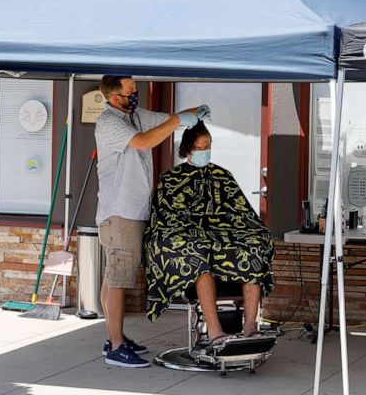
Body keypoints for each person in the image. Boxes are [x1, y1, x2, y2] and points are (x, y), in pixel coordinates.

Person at [94, 75, 208, 368]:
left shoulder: (135, 116)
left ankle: (114, 337)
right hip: (120, 213)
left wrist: (192, 114)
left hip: (131, 211)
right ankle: (117, 347)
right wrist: (176, 121)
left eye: (136, 90)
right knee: (119, 280)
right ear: (113, 95)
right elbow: (145, 142)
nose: (136, 94)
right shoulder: (110, 123)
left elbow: (168, 120)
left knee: (112, 277)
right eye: (130, 91)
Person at [143, 121, 274, 345]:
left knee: (253, 249)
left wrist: (254, 234)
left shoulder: (222, 176)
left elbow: (242, 213)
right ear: (187, 150)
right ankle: (215, 331)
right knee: (198, 254)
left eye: (208, 146)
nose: (206, 152)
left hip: (222, 240)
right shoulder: (170, 180)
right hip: (189, 242)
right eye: (201, 148)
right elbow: (166, 220)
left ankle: (251, 327)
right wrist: (197, 234)